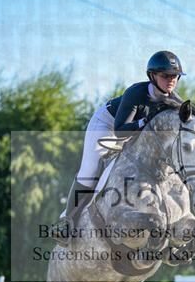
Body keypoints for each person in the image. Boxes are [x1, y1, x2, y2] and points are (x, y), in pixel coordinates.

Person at [51, 51, 185, 247]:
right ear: (152, 75)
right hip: (108, 124)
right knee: (90, 169)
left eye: (175, 76)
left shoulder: (176, 103)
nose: (171, 80)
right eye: (165, 75)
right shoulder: (136, 93)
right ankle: (66, 222)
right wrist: (144, 121)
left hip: (137, 134)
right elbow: (120, 131)